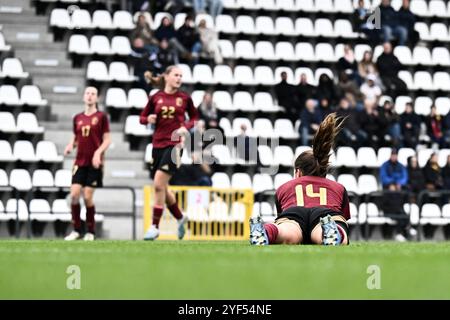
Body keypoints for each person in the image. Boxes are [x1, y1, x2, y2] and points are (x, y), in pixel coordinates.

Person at [250, 113, 351, 246]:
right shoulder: (337, 187)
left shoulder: (284, 187)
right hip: (326, 213)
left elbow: (282, 212)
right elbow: (344, 216)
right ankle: (330, 231)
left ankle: (266, 231)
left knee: (286, 232)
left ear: (298, 172)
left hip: (294, 213)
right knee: (329, 233)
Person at [140, 66, 200, 240]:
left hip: (175, 146)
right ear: (166, 77)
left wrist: (185, 127)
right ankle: (181, 218)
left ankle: (154, 226)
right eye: (176, 75)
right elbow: (142, 117)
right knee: (163, 188)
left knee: (158, 184)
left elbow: (195, 118)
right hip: (157, 145)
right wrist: (148, 119)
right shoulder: (155, 97)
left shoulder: (184, 98)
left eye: (181, 76)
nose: (179, 78)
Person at [63, 87, 111, 241]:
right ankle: (76, 230)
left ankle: (90, 231)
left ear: (97, 98)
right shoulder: (77, 117)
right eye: (87, 93)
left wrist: (98, 153)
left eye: (93, 94)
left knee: (88, 196)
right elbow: (76, 137)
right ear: (84, 97)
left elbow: (107, 140)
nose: (90, 96)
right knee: (74, 195)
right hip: (80, 161)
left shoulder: (102, 117)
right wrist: (71, 145)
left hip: (95, 164)